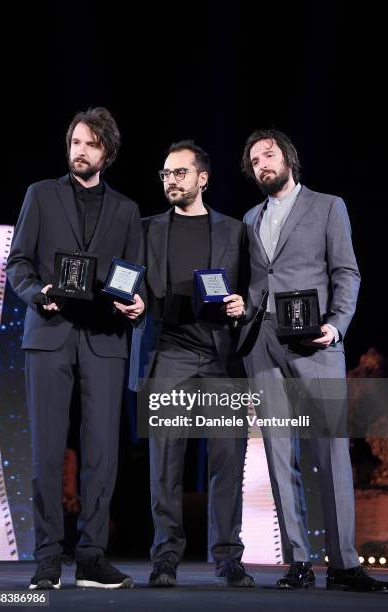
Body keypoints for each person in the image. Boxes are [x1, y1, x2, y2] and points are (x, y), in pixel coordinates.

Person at [238, 128, 387, 593]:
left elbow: (347, 271)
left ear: (288, 159)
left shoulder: (328, 206)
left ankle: (343, 563)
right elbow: (256, 282)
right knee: (280, 455)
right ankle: (298, 561)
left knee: (331, 453)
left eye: (269, 154)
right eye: (254, 160)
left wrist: (337, 324)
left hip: (316, 343)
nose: (263, 164)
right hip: (263, 345)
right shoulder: (248, 218)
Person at [6, 107, 145, 590]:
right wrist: (37, 293)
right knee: (46, 451)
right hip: (49, 334)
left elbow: (132, 272)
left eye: (88, 144)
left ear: (106, 150)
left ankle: (90, 556)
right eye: (74, 143)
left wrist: (136, 304)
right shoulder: (40, 196)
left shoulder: (127, 210)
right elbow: (18, 263)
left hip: (105, 340)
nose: (79, 151)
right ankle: (47, 556)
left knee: (103, 453)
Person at [129, 140, 254, 588]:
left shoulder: (235, 231)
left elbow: (253, 287)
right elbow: (131, 284)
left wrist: (244, 304)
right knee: (165, 460)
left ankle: (227, 557)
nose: (171, 181)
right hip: (168, 352)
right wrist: (133, 304)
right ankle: (165, 556)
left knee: (226, 458)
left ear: (203, 178)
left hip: (221, 353)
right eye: (165, 174)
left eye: (179, 172)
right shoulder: (146, 229)